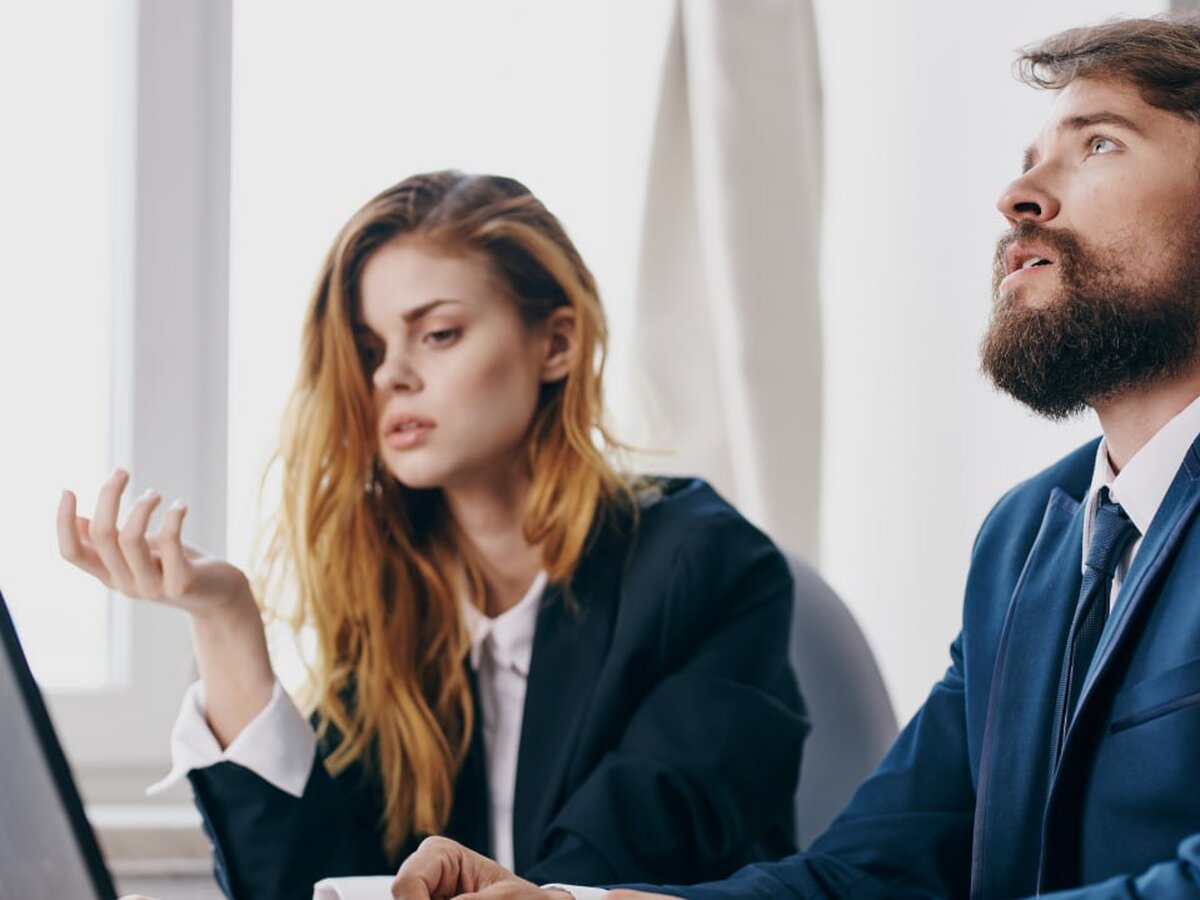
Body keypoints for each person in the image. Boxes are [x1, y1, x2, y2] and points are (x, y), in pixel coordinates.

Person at [389, 16, 1200, 900]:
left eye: (1099, 144)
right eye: (1029, 158)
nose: (1017, 196)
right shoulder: (1022, 542)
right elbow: (869, 869)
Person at [57, 171, 807, 898]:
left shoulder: (707, 568)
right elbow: (312, 887)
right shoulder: (394, 597)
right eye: (371, 350)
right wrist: (225, 621)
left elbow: (600, 873)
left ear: (557, 344)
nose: (391, 376)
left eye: (438, 334)